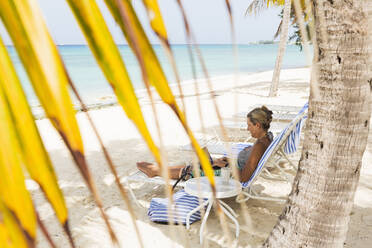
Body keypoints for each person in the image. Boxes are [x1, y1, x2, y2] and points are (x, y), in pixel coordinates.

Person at [137, 106, 273, 183]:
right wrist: (227, 161)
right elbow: (248, 163)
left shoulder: (259, 145)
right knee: (200, 163)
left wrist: (225, 165)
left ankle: (155, 171)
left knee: (192, 171)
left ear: (258, 125)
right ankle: (161, 169)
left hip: (229, 174)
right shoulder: (267, 137)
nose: (247, 128)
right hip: (232, 166)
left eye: (249, 125)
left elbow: (244, 177)